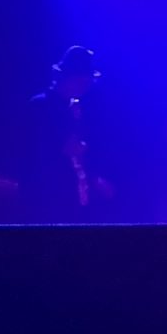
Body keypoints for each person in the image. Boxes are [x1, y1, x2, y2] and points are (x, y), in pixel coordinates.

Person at [20, 47, 123, 223]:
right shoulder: (42, 106)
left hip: (72, 194)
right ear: (65, 77)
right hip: (48, 194)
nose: (86, 86)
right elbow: (42, 151)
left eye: (87, 81)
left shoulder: (74, 107)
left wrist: (93, 179)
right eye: (81, 80)